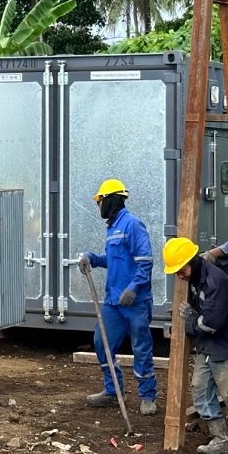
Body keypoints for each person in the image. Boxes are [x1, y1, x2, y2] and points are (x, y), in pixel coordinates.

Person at [163, 236, 228, 454]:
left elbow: (211, 324)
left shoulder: (214, 282)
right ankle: (221, 439)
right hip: (208, 347)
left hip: (226, 347)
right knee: (200, 391)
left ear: (193, 261)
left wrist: (189, 322)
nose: (179, 275)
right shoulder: (196, 278)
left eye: (181, 269)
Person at [77, 178, 158, 416]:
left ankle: (148, 396)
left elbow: (146, 261)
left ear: (111, 200)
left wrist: (133, 288)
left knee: (141, 348)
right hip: (114, 302)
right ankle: (113, 391)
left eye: (100, 200)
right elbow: (112, 261)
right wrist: (92, 257)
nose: (98, 205)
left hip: (135, 303)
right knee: (102, 343)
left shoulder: (132, 225)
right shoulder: (112, 228)